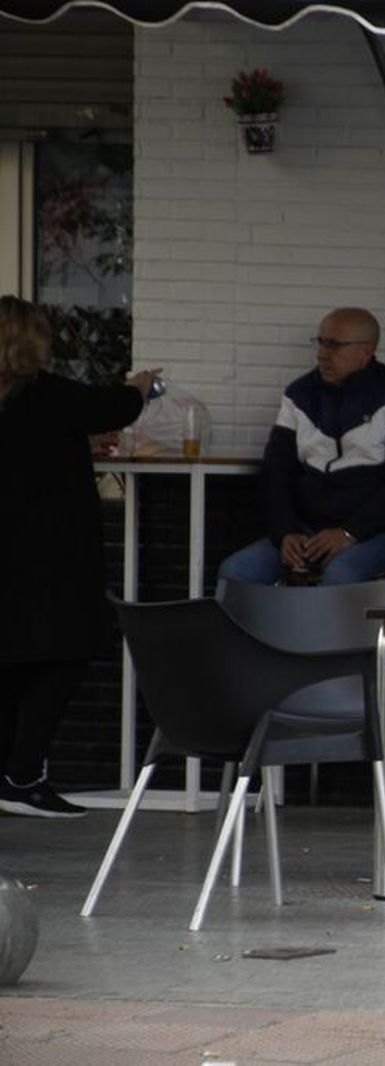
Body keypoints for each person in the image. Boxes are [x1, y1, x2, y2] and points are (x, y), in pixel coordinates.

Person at [0, 295, 158, 817]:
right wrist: (143, 385)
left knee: (12, 660)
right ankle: (23, 776)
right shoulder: (49, 396)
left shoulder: (34, 404)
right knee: (68, 652)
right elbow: (116, 407)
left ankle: (12, 776)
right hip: (52, 553)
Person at [217, 307, 385, 587]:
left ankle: (335, 633)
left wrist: (350, 533)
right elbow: (276, 471)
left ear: (365, 351)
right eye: (320, 342)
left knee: (341, 573)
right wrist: (285, 532)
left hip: (379, 535)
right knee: (236, 571)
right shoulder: (299, 394)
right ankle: (259, 633)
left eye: (335, 345)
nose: (322, 354)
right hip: (307, 532)